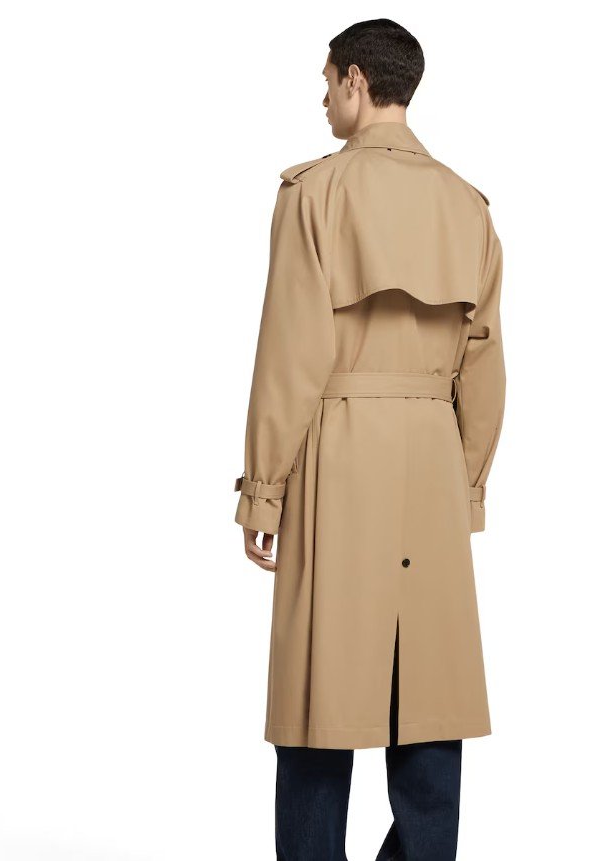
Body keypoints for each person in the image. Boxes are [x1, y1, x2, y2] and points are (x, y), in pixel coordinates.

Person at [233, 18, 506, 861]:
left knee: (321, 694)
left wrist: (263, 490)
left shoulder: (315, 193)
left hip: (338, 451)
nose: (322, 100)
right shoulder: (467, 206)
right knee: (427, 694)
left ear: (356, 79)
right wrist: (466, 485)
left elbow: (291, 352)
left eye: (327, 83)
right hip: (431, 456)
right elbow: (484, 362)